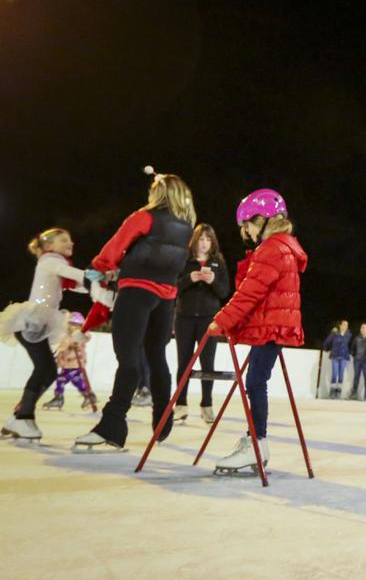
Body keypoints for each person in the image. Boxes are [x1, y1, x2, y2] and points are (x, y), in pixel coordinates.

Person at [74, 172, 196, 452]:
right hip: (166, 298)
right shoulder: (187, 227)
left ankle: (112, 425)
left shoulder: (145, 216)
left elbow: (114, 248)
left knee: (128, 359)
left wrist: (99, 267)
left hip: (137, 293)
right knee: (157, 357)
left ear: (159, 192)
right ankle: (163, 417)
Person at [209, 189, 306, 474]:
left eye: (248, 225)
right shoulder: (282, 246)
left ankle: (256, 443)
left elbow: (249, 293)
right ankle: (256, 442)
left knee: (254, 383)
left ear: (262, 219)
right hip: (275, 324)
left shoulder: (273, 248)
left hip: (272, 326)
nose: (247, 232)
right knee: (255, 381)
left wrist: (221, 321)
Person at [1, 227, 102, 440]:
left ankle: (21, 417)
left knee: (46, 370)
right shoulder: (50, 261)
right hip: (32, 321)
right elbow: (77, 277)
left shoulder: (57, 265)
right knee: (45, 370)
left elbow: (79, 285)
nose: (71, 243)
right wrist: (93, 275)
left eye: (71, 239)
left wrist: (99, 281)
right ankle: (22, 417)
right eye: (64, 240)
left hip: (37, 322)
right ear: (48, 246)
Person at [174, 223, 230, 423]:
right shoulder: (185, 261)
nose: (205, 243)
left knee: (208, 364)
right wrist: (189, 278)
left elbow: (224, 292)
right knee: (184, 362)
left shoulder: (218, 262)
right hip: (184, 318)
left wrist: (212, 281)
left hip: (209, 319)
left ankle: (207, 405)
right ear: (194, 240)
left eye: (208, 239)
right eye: (201, 239)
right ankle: (180, 405)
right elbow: (174, 288)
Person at [44, 313, 97, 411]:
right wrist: (57, 360)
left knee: (65, 380)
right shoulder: (66, 336)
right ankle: (87, 395)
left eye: (76, 325)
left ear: (80, 326)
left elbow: (87, 337)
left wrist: (81, 335)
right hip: (66, 365)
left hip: (75, 365)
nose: (73, 327)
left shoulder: (80, 335)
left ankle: (87, 395)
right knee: (71, 381)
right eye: (71, 324)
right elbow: (62, 350)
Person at [322, 321, 351, 399]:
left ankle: (338, 391)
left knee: (341, 375)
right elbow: (327, 341)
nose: (345, 326)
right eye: (344, 325)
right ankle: (332, 390)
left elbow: (345, 342)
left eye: (346, 325)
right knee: (335, 374)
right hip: (335, 356)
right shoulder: (334, 334)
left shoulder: (348, 335)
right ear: (340, 325)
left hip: (344, 357)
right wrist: (326, 348)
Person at [349, 322, 366, 400]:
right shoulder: (357, 338)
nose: (361, 329)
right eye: (361, 328)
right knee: (356, 377)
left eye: (363, 328)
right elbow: (352, 348)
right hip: (357, 360)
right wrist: (355, 356)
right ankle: (354, 393)